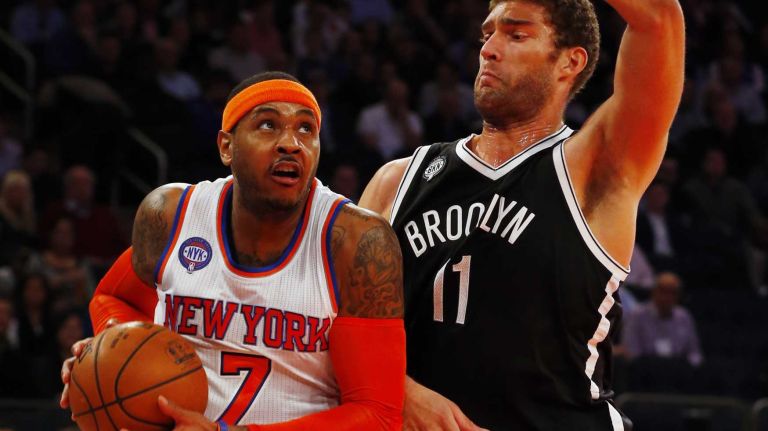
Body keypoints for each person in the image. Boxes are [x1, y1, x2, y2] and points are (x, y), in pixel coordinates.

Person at [359, 0, 685, 429]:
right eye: (487, 34)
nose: (489, 49)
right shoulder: (396, 182)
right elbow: (336, 324)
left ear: (570, 61)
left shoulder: (596, 169)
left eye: (516, 35)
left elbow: (659, 19)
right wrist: (398, 391)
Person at [60, 72, 406, 430]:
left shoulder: (355, 241)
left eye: (306, 129)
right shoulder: (171, 213)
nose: (291, 143)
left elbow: (378, 415)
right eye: (268, 125)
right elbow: (113, 300)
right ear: (226, 147)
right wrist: (111, 353)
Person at [622, 272, 703, 366]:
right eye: (663, 291)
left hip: (678, 371)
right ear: (654, 292)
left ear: (678, 296)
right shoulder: (637, 316)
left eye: (672, 293)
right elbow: (631, 351)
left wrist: (691, 365)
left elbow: (695, 352)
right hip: (647, 370)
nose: (667, 297)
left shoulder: (684, 317)